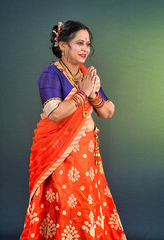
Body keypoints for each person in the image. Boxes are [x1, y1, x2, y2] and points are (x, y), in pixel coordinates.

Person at [20, 20, 127, 240]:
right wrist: (82, 93)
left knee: (88, 202)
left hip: (87, 157)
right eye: (79, 43)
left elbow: (107, 112)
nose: (85, 49)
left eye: (87, 44)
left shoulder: (85, 74)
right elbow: (55, 113)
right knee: (63, 203)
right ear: (62, 44)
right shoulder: (51, 74)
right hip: (60, 156)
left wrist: (93, 94)